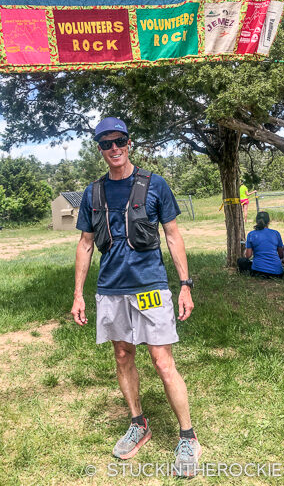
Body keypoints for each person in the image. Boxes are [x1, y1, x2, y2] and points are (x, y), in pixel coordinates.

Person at [71, 117, 201, 477]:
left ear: (129, 143)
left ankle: (188, 437)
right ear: (99, 149)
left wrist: (185, 284)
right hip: (111, 291)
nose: (114, 148)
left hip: (149, 290)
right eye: (106, 143)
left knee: (162, 361)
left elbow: (173, 236)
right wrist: (78, 294)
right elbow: (84, 245)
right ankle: (138, 423)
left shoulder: (154, 184)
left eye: (120, 141)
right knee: (123, 355)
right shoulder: (92, 193)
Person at [237, 211, 284, 278]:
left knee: (241, 261)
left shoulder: (251, 234)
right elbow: (281, 255)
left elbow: (248, 255)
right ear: (269, 221)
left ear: (256, 221)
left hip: (258, 271)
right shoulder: (276, 233)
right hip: (277, 273)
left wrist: (246, 249)